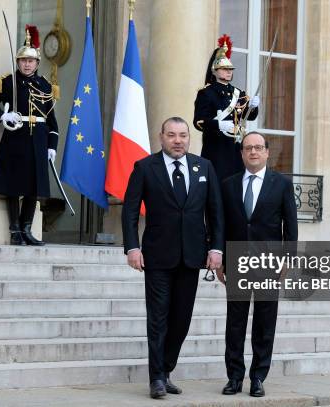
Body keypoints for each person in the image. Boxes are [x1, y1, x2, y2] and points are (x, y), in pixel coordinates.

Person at [121, 117, 224, 399]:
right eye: (171, 135)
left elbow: (215, 211)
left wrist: (216, 248)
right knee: (158, 318)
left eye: (183, 135)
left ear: (189, 138)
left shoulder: (203, 167)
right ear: (161, 137)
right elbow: (129, 210)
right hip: (156, 256)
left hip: (192, 257)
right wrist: (132, 247)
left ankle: (166, 369)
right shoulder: (145, 168)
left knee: (181, 319)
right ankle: (156, 378)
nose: (178, 140)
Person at [216, 131, 298, 397]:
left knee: (265, 322)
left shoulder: (281, 184)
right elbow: (221, 225)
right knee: (235, 323)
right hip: (237, 259)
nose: (253, 152)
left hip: (268, 261)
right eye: (248, 148)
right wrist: (220, 258)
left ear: (266, 152)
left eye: (258, 147)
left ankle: (258, 377)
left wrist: (288, 257)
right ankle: (234, 377)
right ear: (241, 153)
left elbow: (291, 225)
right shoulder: (228, 184)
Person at [0, 25, 60, 246]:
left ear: (37, 63)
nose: (27, 64)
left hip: (38, 140)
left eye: (30, 61)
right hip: (16, 139)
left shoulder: (45, 86)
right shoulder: (7, 82)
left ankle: (26, 229)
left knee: (34, 187)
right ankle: (14, 231)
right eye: (23, 60)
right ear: (18, 62)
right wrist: (2, 117)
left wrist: (52, 146)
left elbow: (52, 122)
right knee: (13, 186)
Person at [193, 35, 259, 186]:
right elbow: (199, 121)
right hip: (216, 149)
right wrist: (219, 125)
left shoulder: (238, 93)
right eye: (224, 69)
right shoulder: (206, 93)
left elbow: (250, 116)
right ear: (215, 71)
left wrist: (254, 106)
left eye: (230, 69)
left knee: (235, 189)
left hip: (235, 149)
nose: (229, 72)